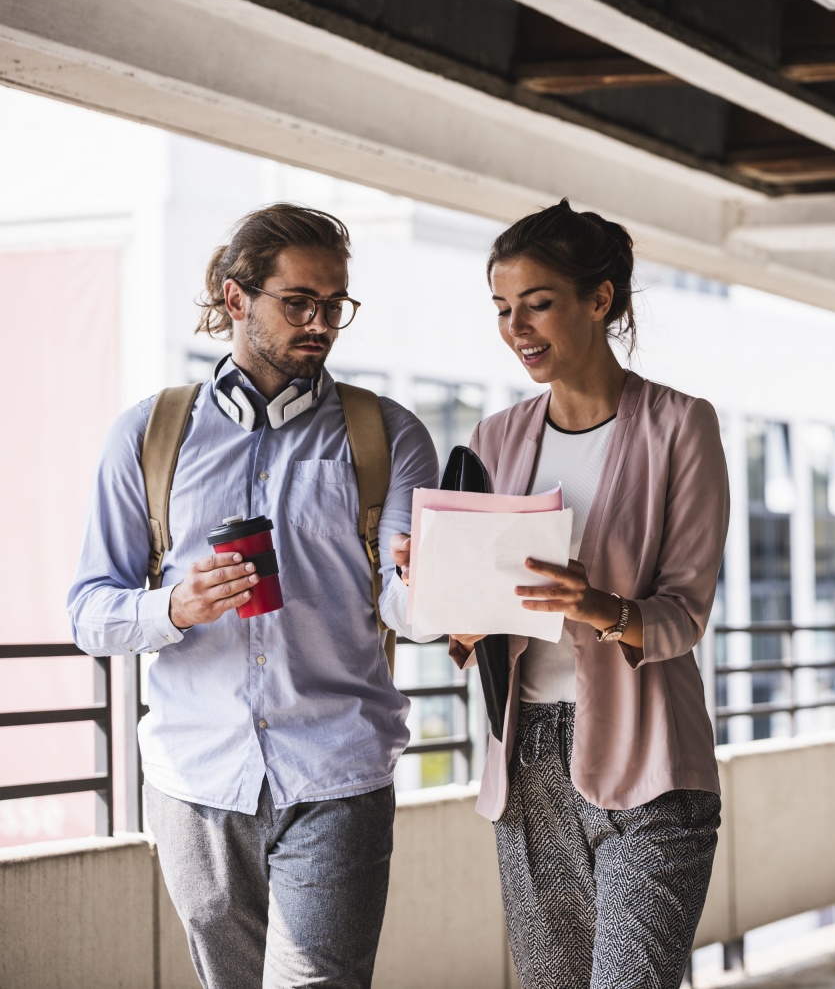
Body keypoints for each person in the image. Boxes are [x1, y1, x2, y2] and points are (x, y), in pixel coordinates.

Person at [68, 204, 439, 989]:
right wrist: (172, 606)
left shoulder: (388, 435)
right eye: (298, 301)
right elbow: (88, 610)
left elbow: (410, 605)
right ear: (236, 298)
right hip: (196, 778)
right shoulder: (148, 436)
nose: (322, 322)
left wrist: (438, 590)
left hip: (337, 767)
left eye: (335, 304)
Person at [387, 200, 730, 988]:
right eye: (504, 309)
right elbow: (474, 619)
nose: (518, 327)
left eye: (538, 303)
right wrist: (437, 585)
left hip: (653, 759)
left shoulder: (680, 425)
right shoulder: (495, 439)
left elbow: (685, 612)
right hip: (527, 757)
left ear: (600, 299)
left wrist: (595, 602)